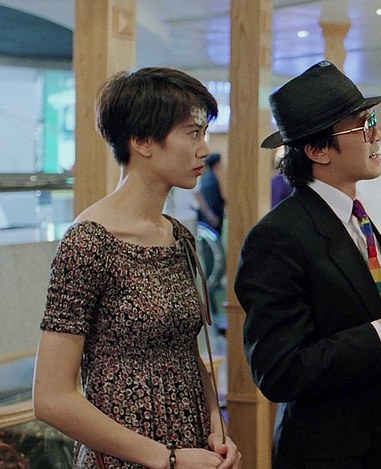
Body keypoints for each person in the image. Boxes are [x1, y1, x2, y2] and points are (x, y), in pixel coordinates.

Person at [32, 67, 241, 469]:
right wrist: (167, 458)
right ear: (142, 141)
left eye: (204, 134)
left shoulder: (178, 236)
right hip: (127, 459)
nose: (204, 149)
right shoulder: (89, 242)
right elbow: (51, 397)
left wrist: (217, 425)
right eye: (192, 133)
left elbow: (185, 351)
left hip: (192, 451)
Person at [234, 61, 381, 468]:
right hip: (327, 453)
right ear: (318, 150)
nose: (376, 135)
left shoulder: (355, 217)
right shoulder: (279, 236)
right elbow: (279, 370)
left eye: (372, 121)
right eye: (362, 126)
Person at [195, 152, 225, 233]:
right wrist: (212, 216)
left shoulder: (207, 177)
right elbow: (211, 200)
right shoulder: (211, 180)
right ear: (217, 164)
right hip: (212, 218)